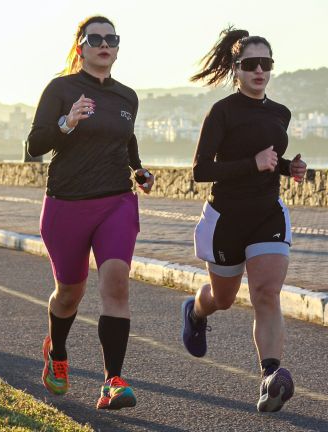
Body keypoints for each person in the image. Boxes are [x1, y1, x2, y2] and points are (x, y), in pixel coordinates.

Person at [27, 15, 154, 410]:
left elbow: (126, 142)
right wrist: (66, 123)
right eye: (95, 38)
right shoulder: (61, 89)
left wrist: (139, 170)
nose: (104, 44)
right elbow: (34, 146)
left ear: (117, 47)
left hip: (116, 200)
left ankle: (113, 381)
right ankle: (58, 353)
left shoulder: (127, 97)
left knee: (116, 284)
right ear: (80, 46)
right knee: (69, 293)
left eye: (111, 38)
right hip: (66, 202)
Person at [181, 27, 307, 413]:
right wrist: (253, 164)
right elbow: (201, 170)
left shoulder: (280, 113)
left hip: (267, 214)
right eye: (250, 64)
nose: (259, 71)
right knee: (223, 298)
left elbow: (270, 160)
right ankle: (195, 311)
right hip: (226, 219)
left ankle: (270, 376)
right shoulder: (222, 112)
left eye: (265, 64)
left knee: (266, 294)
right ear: (236, 69)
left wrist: (290, 167)